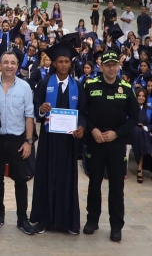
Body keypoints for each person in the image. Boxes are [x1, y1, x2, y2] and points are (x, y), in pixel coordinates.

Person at [29, 42, 86, 235]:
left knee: (66, 179)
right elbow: (36, 105)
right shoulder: (45, 84)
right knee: (46, 177)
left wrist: (82, 126)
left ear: (71, 64)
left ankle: (67, 221)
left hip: (69, 141)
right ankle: (44, 220)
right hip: (49, 140)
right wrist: (41, 110)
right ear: (54, 63)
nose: (63, 65)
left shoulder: (77, 86)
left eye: (67, 62)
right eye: (60, 61)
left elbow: (83, 112)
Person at [83, 49, 138, 242]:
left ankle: (116, 225)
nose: (111, 68)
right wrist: (93, 130)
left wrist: (117, 133)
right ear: (101, 66)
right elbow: (83, 113)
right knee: (94, 183)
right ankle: (92, 220)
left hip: (116, 143)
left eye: (114, 64)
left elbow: (134, 118)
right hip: (96, 140)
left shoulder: (126, 88)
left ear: (118, 66)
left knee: (117, 186)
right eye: (108, 65)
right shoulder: (90, 86)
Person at [0, 50, 36, 235]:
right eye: (6, 62)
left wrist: (29, 142)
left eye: (13, 63)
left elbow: (29, 116)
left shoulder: (24, 87)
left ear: (17, 65)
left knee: (21, 180)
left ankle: (22, 218)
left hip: (18, 139)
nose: (9, 66)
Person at [131, 88, 152, 184]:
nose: (141, 98)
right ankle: (149, 152)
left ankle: (140, 168)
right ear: (136, 96)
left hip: (145, 132)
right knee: (138, 132)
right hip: (133, 132)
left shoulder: (149, 110)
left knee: (142, 134)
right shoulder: (131, 108)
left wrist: (146, 127)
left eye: (143, 96)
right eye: (139, 95)